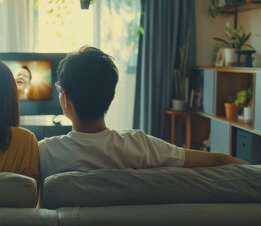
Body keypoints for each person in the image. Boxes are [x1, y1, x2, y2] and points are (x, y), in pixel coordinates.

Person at [38, 46, 249, 182]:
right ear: (111, 96)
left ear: (66, 99)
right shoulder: (141, 145)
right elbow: (218, 160)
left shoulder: (45, 152)